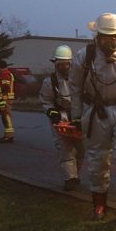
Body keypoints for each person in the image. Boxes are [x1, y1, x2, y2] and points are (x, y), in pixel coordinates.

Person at [69, 12, 116, 225]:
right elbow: (75, 87)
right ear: (97, 36)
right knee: (98, 159)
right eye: (106, 37)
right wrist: (76, 116)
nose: (110, 41)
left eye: (114, 37)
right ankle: (99, 205)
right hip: (96, 112)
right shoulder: (85, 57)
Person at [39, 45, 85, 191]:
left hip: (78, 117)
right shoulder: (50, 82)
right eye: (61, 64)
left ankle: (75, 174)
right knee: (64, 148)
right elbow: (45, 100)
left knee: (81, 149)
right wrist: (52, 112)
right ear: (55, 64)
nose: (64, 67)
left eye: (67, 64)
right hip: (61, 119)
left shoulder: (79, 79)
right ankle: (69, 178)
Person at [0, 60, 15, 143]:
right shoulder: (4, 74)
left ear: (0, 67)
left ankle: (9, 136)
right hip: (3, 99)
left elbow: (5, 87)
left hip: (5, 98)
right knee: (4, 115)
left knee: (6, 115)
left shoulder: (5, 75)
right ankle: (7, 134)